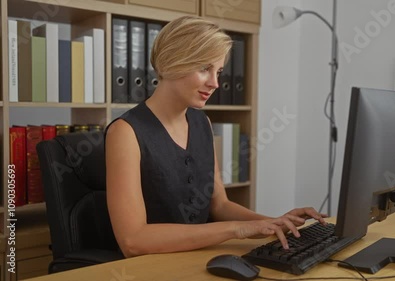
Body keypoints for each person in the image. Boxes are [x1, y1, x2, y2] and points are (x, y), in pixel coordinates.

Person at [105, 15, 327, 258]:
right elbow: (133, 240)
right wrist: (236, 230)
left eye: (218, 71)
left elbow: (218, 205)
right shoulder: (126, 132)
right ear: (172, 62)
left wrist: (276, 223)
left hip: (199, 256)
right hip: (151, 267)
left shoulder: (202, 123)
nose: (215, 83)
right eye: (204, 69)